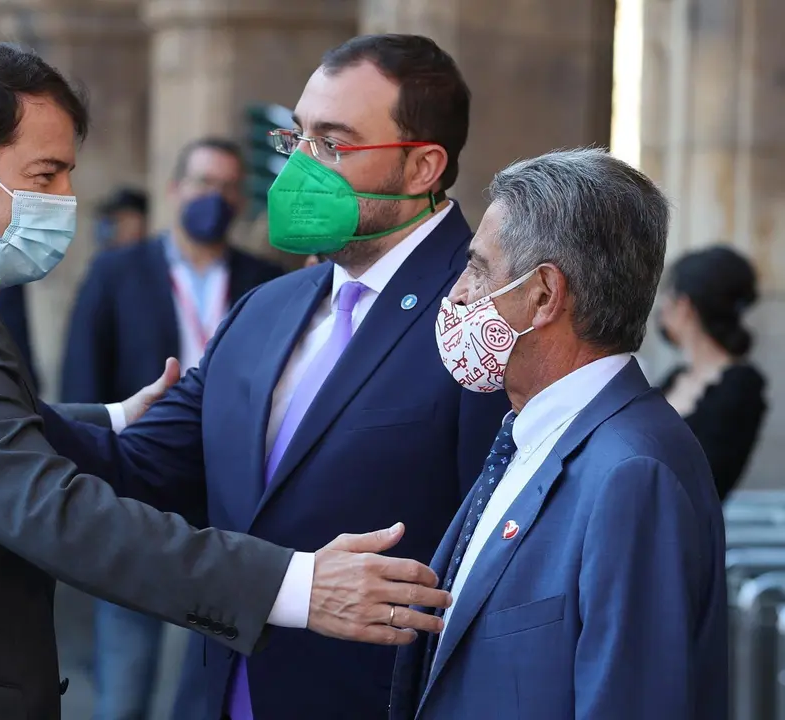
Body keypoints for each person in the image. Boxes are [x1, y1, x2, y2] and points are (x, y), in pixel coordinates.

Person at [0, 40, 453, 720]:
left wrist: (115, 418)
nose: (67, 198)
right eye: (46, 175)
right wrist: (297, 585)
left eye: (331, 143)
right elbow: (60, 515)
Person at [39, 34, 511, 720]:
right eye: (297, 138)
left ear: (422, 167)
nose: (299, 167)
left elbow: (500, 565)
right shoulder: (265, 308)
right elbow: (141, 466)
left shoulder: (484, 318)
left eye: (332, 144)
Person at [389, 148, 728, 719]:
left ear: (544, 294)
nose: (459, 293)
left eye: (478, 268)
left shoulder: (632, 472)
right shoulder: (534, 433)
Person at [60, 136, 283, 720]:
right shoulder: (117, 271)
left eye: (229, 187)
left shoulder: (266, 281)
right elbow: (82, 375)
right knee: (126, 672)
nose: (217, 197)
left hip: (230, 494)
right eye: (205, 183)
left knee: (214, 674)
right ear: (176, 189)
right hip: (140, 489)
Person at [657, 245, 767, 499]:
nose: (662, 306)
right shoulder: (676, 377)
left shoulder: (740, 387)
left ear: (685, 306)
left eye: (668, 294)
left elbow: (706, 479)